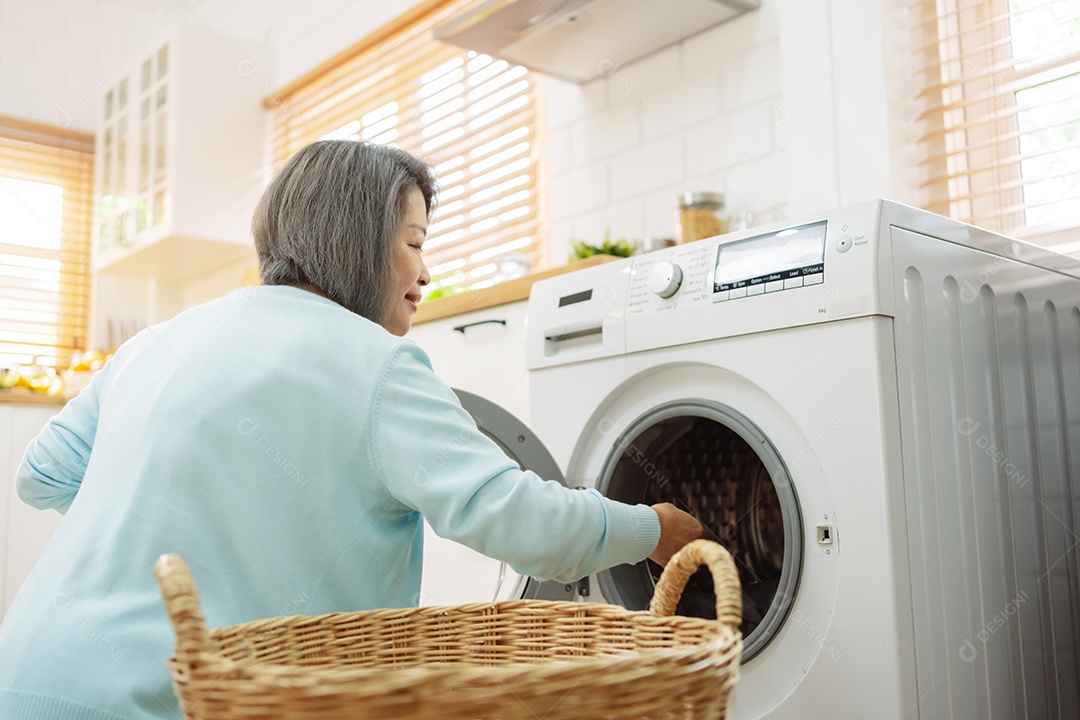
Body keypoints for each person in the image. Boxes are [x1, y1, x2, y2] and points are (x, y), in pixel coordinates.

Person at [0, 140, 704, 719]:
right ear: (362, 239)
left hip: (26, 673)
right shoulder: (377, 362)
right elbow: (516, 519)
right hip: (168, 702)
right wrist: (653, 527)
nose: (424, 272)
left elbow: (43, 475)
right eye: (414, 242)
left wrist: (175, 515)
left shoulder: (162, 340)